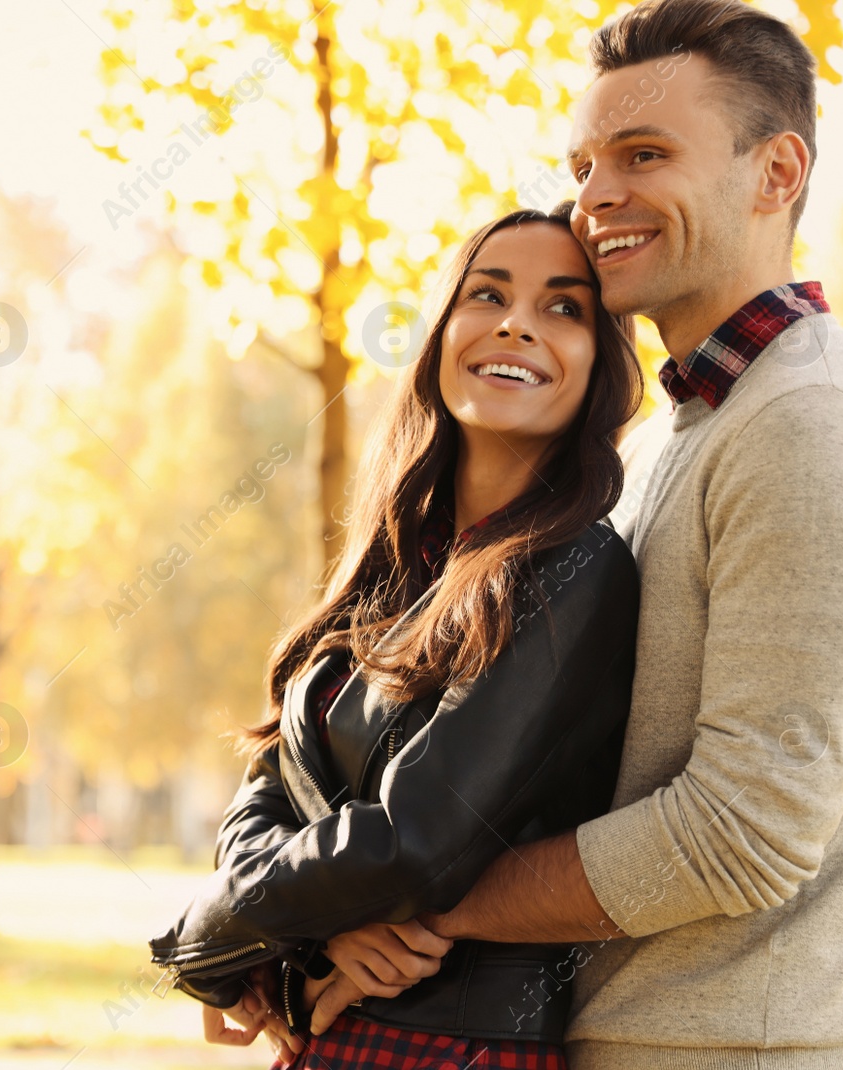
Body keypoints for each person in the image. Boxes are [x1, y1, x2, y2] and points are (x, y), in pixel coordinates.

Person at [305, 2, 843, 1068]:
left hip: (738, 1044)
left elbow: (742, 830)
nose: (596, 195)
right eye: (585, 161)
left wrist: (420, 903)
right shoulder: (681, 430)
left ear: (776, 174)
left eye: (644, 154)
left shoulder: (813, 424)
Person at [149, 200, 646, 1069]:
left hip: (453, 1045)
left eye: (564, 307)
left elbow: (413, 843)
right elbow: (273, 789)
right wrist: (315, 940)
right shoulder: (394, 559)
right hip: (332, 1027)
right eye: (487, 295)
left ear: (600, 365)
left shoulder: (575, 568)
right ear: (445, 330)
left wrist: (207, 933)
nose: (517, 326)